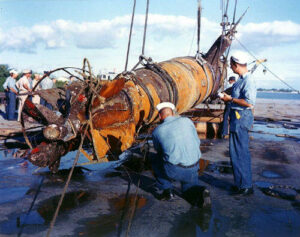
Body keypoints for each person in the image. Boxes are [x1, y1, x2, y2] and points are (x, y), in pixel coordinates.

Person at [151, 102, 211, 208]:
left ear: (160, 116)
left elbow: (159, 151)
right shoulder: (187, 121)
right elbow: (197, 141)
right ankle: (199, 192)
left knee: (155, 160)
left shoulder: (157, 131)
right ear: (173, 113)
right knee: (188, 189)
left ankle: (167, 191)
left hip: (175, 171)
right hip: (194, 167)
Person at [221, 52, 256, 196]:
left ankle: (246, 186)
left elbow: (249, 102)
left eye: (231, 64)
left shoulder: (248, 81)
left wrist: (230, 100)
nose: (230, 67)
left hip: (242, 117)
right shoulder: (241, 80)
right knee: (235, 152)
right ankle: (240, 184)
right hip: (237, 117)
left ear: (236, 65)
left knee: (241, 152)